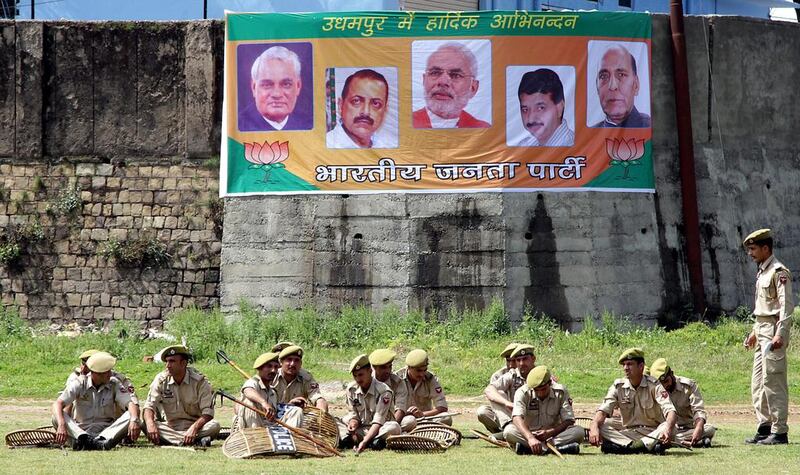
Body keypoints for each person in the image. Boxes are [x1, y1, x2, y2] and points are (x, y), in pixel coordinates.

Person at [742, 228, 792, 445]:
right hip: (762, 329)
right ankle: (765, 427)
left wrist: (781, 333)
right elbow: (764, 307)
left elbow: (785, 306)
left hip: (773, 332)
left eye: (753, 249)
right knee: (758, 384)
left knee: (774, 381)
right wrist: (754, 332)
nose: (750, 253)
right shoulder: (762, 271)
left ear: (765, 248)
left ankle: (779, 431)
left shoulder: (779, 272)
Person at [588, 348, 677, 454]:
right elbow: (603, 410)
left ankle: (626, 448)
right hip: (630, 434)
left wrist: (667, 429)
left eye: (629, 364)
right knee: (601, 425)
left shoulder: (654, 385)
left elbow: (671, 411)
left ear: (641, 366)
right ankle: (638, 447)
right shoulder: (618, 386)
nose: (625, 368)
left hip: (653, 432)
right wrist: (594, 427)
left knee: (670, 427)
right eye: (624, 365)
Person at [52, 352, 141, 451]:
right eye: (106, 372)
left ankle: (100, 442)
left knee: (132, 415)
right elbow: (58, 403)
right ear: (96, 374)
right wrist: (61, 424)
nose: (110, 374)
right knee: (56, 416)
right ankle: (84, 440)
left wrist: (134, 420)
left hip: (106, 433)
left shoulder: (114, 383)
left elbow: (130, 403)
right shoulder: (80, 383)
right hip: (80, 432)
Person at [142, 345, 220, 447]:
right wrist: (150, 424)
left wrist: (194, 428)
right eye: (167, 361)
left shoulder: (200, 382)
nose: (168, 366)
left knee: (215, 426)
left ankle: (172, 440)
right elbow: (149, 406)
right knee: (144, 424)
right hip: (170, 427)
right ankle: (191, 441)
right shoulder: (161, 380)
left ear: (183, 363)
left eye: (172, 361)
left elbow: (208, 413)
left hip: (195, 427)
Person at [504, 366, 583, 455]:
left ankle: (530, 449)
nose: (540, 393)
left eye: (543, 389)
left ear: (550, 383)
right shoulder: (522, 392)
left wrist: (551, 432)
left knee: (579, 432)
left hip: (554, 436)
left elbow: (569, 420)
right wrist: (530, 437)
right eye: (537, 390)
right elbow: (516, 417)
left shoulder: (560, 391)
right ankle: (555, 449)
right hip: (529, 434)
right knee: (509, 431)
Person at [413, 42, 490, 129]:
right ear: (424, 80)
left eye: (455, 75)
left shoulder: (483, 130)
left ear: (473, 88)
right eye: (435, 73)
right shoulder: (403, 124)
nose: (443, 82)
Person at [338, 354, 402, 453]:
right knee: (337, 421)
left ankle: (369, 441)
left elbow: (378, 421)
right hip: (362, 429)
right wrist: (353, 423)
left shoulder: (384, 391)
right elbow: (353, 414)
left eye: (361, 375)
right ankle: (366, 441)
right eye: (355, 376)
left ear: (370, 371)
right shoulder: (351, 389)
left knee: (394, 427)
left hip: (380, 429)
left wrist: (364, 441)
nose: (358, 379)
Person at [239, 45, 310, 131]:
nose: (277, 94)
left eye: (286, 84)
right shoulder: (238, 127)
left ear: (298, 86)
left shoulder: (308, 124)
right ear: (254, 88)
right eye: (267, 85)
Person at [650, 358, 715, 447]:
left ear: (671, 374)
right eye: (661, 384)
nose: (665, 386)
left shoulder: (689, 386)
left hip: (689, 428)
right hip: (668, 428)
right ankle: (697, 442)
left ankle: (674, 442)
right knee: (660, 432)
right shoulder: (655, 390)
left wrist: (699, 428)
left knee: (710, 429)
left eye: (666, 381)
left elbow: (698, 410)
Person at [477, 344, 536, 438]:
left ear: (533, 359)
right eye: (518, 360)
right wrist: (507, 403)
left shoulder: (540, 374)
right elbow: (489, 390)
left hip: (534, 416)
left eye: (525, 359)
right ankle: (507, 431)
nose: (521, 363)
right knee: (484, 409)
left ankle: (508, 434)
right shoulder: (509, 374)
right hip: (510, 415)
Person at [326, 69, 393, 149]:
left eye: (376, 103)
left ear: (385, 110)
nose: (366, 112)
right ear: (340, 105)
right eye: (356, 101)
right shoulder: (326, 145)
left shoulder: (389, 147)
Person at [235, 352, 302, 429]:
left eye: (276, 367)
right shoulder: (253, 382)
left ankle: (290, 438)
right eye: (269, 366)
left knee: (296, 410)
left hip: (270, 427)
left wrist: (290, 405)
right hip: (254, 427)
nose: (273, 370)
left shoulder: (272, 391)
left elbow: (276, 411)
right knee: (249, 403)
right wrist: (263, 403)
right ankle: (255, 437)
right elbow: (248, 391)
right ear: (260, 368)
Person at [62, 349, 138, 416]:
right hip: (82, 422)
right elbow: (66, 404)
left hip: (112, 423)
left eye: (89, 366)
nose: (84, 369)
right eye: (83, 364)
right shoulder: (76, 378)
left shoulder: (118, 380)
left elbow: (133, 403)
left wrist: (133, 419)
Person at [592, 44, 650, 128]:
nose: (612, 86)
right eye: (604, 76)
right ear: (597, 88)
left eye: (621, 75)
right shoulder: (590, 134)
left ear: (636, 85)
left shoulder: (652, 127)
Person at [514, 69, 574, 147]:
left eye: (540, 108)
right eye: (525, 110)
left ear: (559, 108)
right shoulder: (523, 146)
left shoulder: (577, 149)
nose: (530, 119)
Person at [395, 349, 451, 425]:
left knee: (446, 417)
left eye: (424, 370)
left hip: (426, 418)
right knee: (410, 421)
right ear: (409, 367)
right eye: (418, 371)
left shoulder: (431, 379)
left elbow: (442, 407)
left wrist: (422, 414)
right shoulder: (397, 379)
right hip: (404, 419)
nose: (422, 374)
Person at [369, 348, 416, 432]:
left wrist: (393, 425)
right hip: (368, 422)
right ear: (374, 367)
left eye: (390, 366)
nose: (387, 370)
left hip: (389, 423)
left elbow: (400, 409)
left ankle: (383, 434)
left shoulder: (398, 383)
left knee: (410, 421)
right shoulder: (367, 381)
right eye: (383, 368)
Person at [272, 345, 329, 413]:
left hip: (295, 417)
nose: (292, 364)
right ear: (281, 362)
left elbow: (317, 397)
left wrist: (321, 409)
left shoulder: (306, 377)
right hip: (272, 416)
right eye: (289, 360)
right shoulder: (272, 375)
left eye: (296, 360)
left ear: (301, 363)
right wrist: (288, 406)